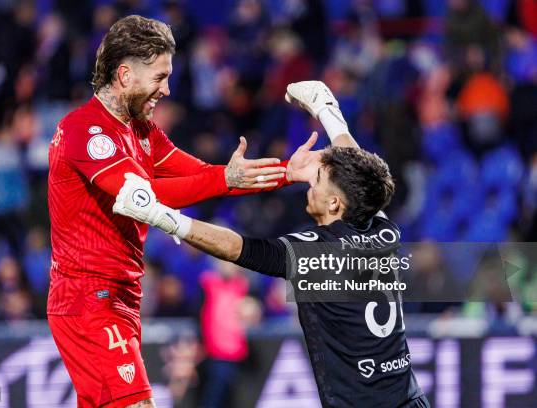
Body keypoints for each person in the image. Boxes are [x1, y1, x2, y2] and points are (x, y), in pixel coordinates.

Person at [47, 15, 318, 408]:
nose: (167, 89)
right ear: (124, 75)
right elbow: (146, 196)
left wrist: (287, 172)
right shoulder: (87, 133)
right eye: (159, 77)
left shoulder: (140, 131)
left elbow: (206, 175)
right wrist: (227, 179)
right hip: (90, 296)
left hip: (120, 294)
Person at [115, 81, 430, 408]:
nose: (311, 182)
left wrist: (162, 216)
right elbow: (359, 169)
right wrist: (326, 110)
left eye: (318, 180)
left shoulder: (318, 253)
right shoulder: (381, 229)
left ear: (336, 204)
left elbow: (238, 248)